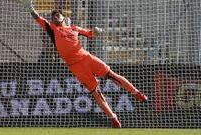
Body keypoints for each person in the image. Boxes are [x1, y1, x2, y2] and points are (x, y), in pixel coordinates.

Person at [19, 0, 148, 128]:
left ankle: (137, 93)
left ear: (64, 17)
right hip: (76, 67)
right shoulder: (52, 29)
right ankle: (113, 118)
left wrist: (96, 31)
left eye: (58, 13)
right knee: (96, 92)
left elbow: (90, 33)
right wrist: (30, 8)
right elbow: (38, 17)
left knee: (111, 75)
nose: (56, 15)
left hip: (87, 58)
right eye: (54, 15)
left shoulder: (74, 28)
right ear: (52, 21)